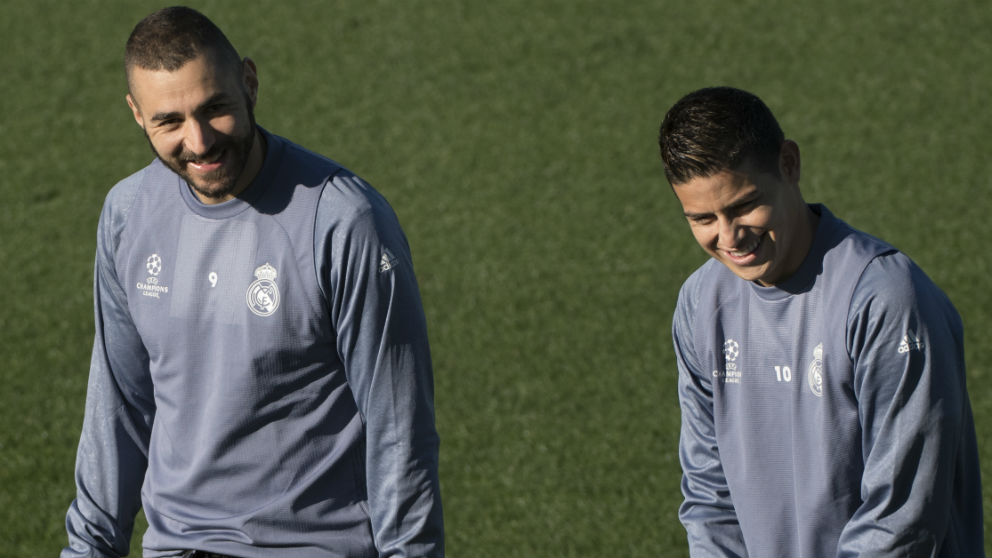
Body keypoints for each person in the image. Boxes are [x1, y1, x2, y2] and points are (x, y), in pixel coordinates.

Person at [62, 6, 443, 557]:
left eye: (214, 109)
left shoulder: (344, 223)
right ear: (137, 115)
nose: (197, 142)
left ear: (249, 81)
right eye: (169, 121)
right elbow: (118, 409)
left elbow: (399, 431)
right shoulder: (128, 214)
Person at [658, 86, 983, 557]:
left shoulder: (885, 300)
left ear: (789, 163)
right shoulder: (700, 303)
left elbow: (900, 520)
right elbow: (711, 495)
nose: (729, 237)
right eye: (702, 218)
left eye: (744, 205)